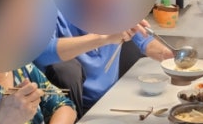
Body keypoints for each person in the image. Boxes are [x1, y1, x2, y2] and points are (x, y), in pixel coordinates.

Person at [34, 13, 171, 116]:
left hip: (112, 98)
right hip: (77, 108)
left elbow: (145, 41)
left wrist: (169, 55)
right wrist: (103, 38)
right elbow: (40, 52)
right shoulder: (54, 11)